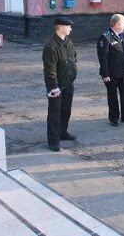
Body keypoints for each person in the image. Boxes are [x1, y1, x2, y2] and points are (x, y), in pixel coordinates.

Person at [42, 17, 77, 152]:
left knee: (66, 110)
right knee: (54, 114)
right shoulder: (51, 46)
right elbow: (50, 69)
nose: (70, 29)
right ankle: (53, 141)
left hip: (68, 83)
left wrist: (74, 72)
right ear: (61, 27)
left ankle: (63, 132)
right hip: (57, 86)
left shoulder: (68, 42)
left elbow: (74, 57)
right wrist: (53, 87)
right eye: (68, 26)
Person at [97, 14, 124, 127]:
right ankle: (114, 118)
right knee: (113, 96)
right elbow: (103, 58)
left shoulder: (122, 35)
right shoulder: (105, 37)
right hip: (111, 73)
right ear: (117, 24)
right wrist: (105, 74)